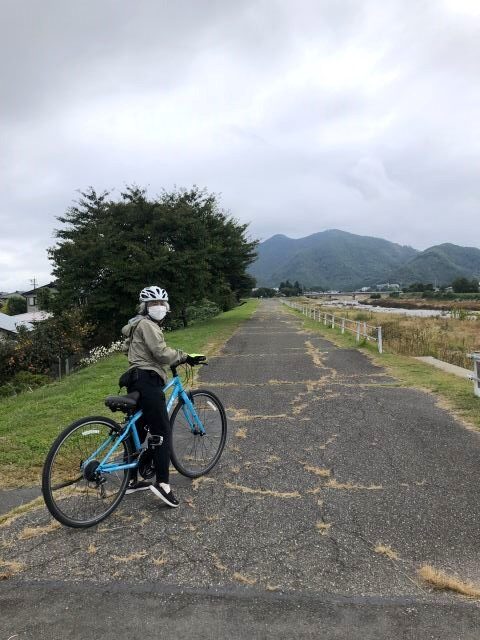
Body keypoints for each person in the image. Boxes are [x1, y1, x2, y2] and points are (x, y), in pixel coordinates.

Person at [121, 285, 199, 508]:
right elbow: (161, 353)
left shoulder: (136, 324)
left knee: (138, 427)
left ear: (166, 307)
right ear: (145, 307)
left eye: (161, 304)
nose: (158, 307)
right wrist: (184, 357)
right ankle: (163, 485)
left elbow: (132, 350)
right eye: (153, 303)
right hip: (148, 380)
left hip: (135, 379)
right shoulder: (147, 324)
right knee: (161, 431)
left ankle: (131, 479)